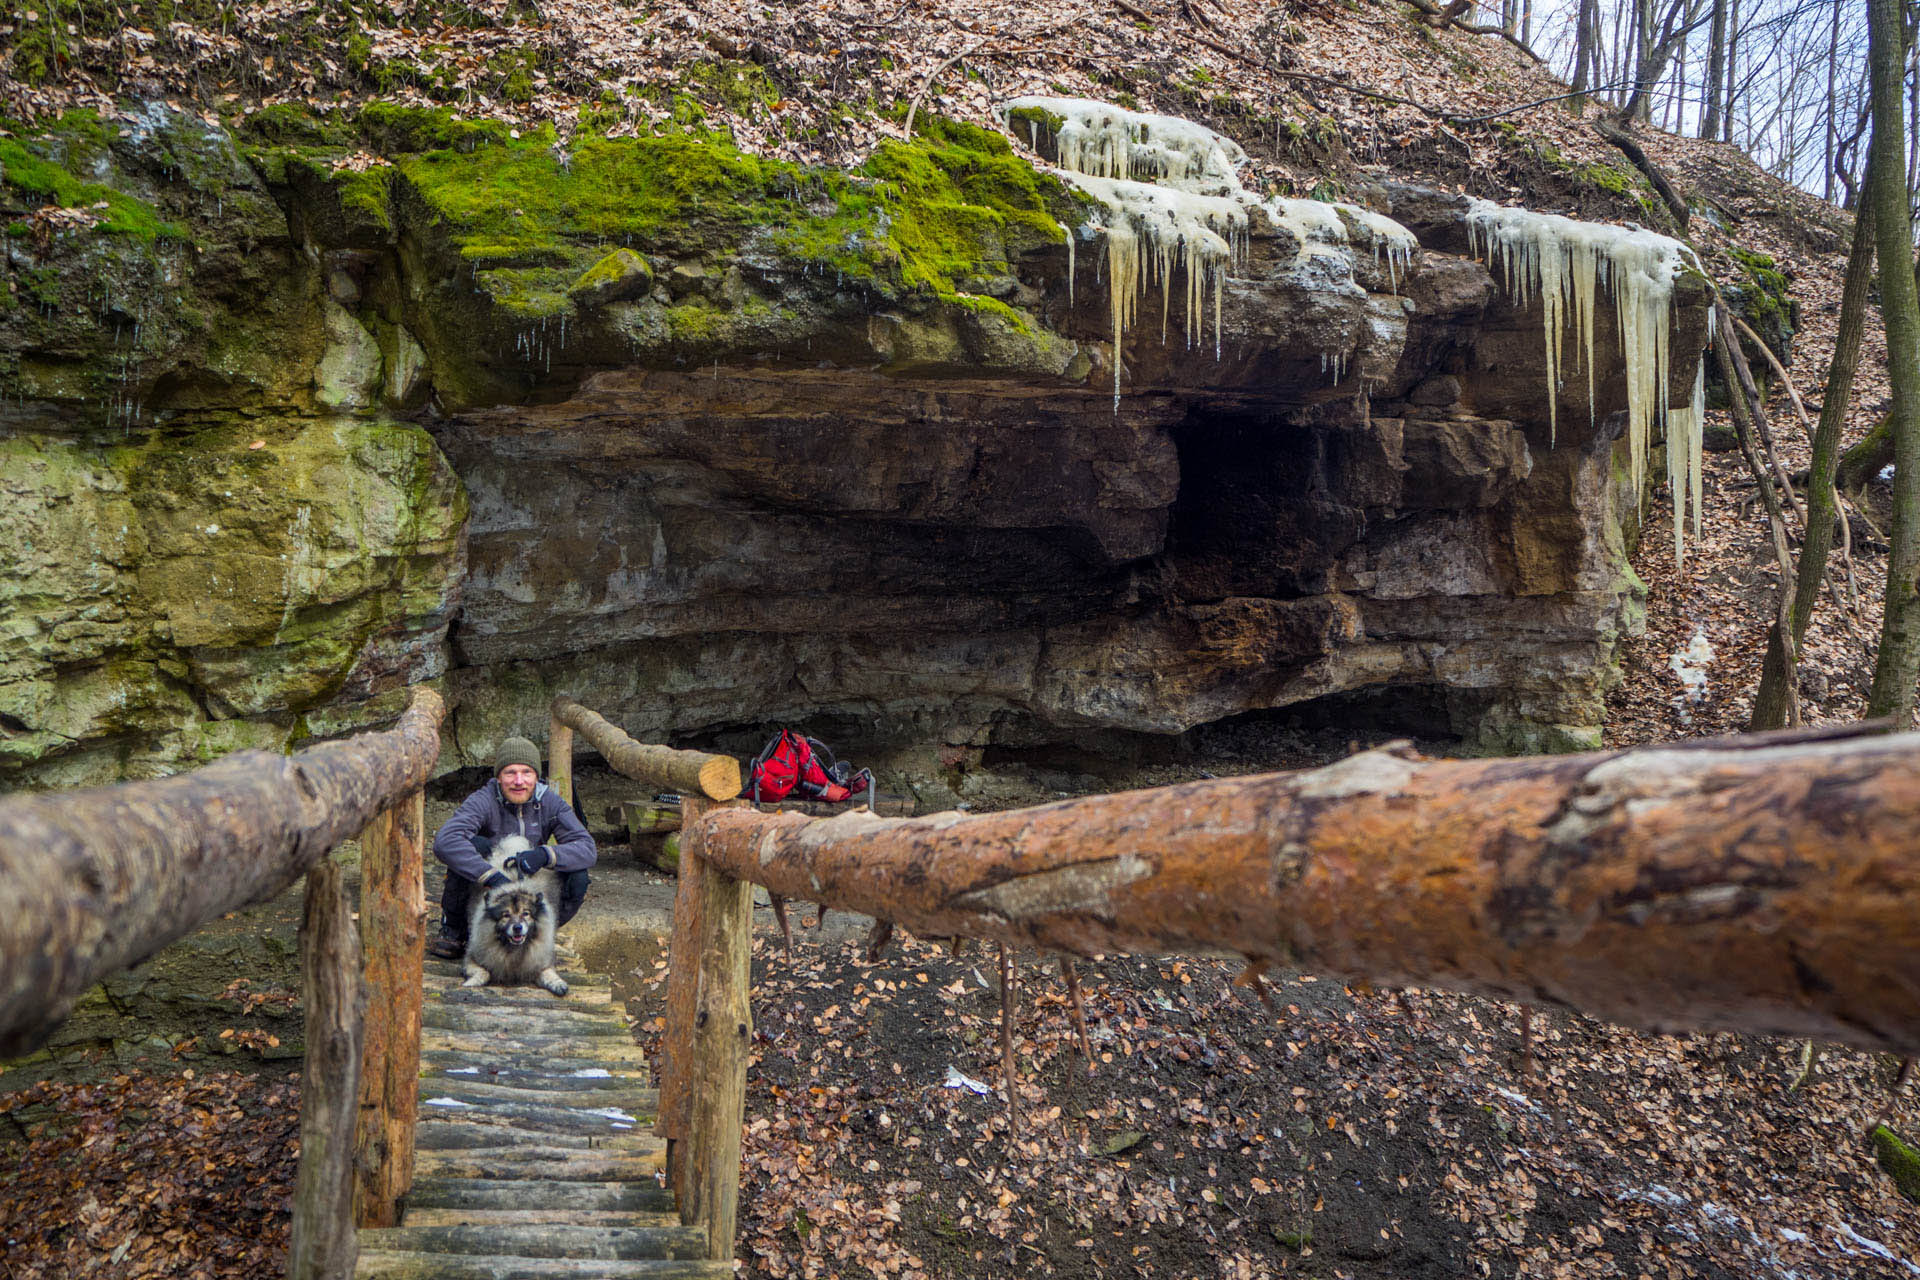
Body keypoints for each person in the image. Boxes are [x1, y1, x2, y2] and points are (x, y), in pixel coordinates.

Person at [426, 736, 597, 960]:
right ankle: (455, 930)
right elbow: (446, 841)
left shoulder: (550, 802)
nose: (519, 781)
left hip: (531, 884)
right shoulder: (483, 800)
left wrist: (545, 855)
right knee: (474, 846)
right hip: (488, 886)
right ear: (498, 777)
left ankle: (538, 931)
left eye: (526, 772)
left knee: (578, 876)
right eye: (510, 772)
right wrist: (491, 876)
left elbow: (587, 848)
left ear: (536, 776)